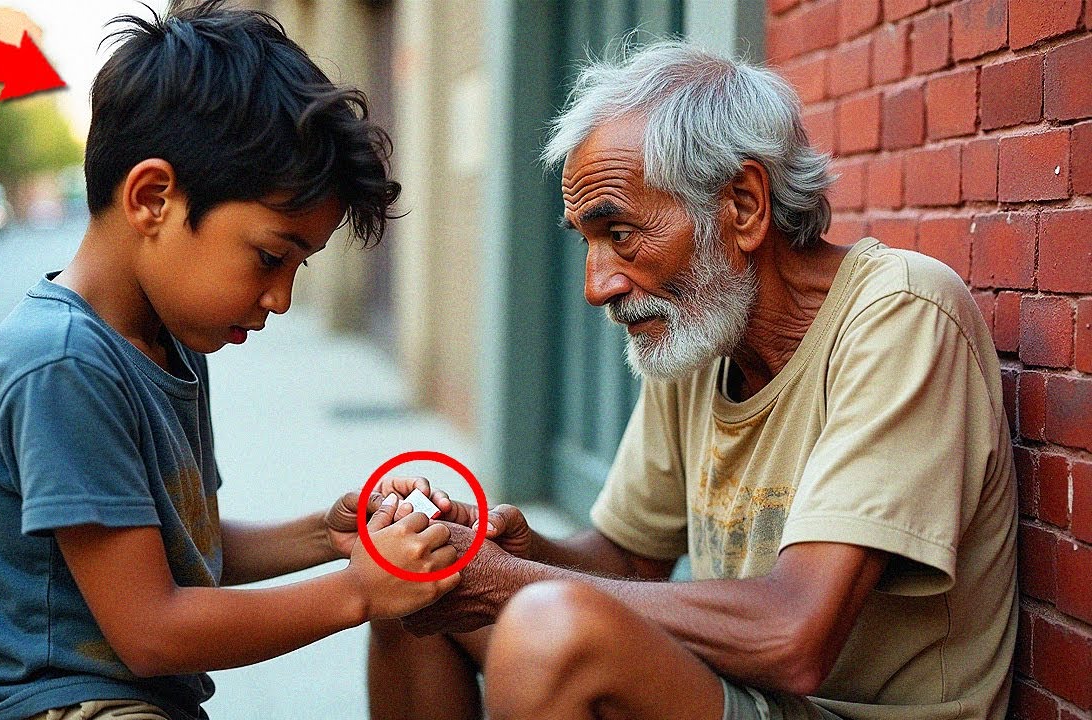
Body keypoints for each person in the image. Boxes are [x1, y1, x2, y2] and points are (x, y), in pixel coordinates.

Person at [370, 40, 1018, 720]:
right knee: (413, 585)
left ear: (742, 204)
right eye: (587, 241)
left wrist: (513, 585)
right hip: (744, 695)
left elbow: (794, 635)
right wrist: (511, 554)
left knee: (549, 632)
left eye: (620, 233)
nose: (598, 287)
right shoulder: (700, 329)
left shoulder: (903, 314)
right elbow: (626, 561)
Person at [0, 4, 462, 719]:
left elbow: (185, 552)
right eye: (270, 257)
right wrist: (360, 591)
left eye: (298, 268)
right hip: (54, 707)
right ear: (153, 199)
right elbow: (151, 630)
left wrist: (328, 536)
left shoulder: (168, 341)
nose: (279, 298)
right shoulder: (62, 365)